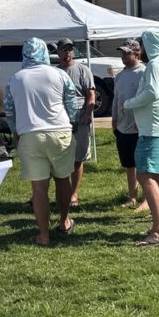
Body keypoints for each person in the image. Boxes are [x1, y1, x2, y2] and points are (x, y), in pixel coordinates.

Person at [5, 38, 82, 246]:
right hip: (60, 131)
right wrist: (72, 122)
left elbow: (9, 111)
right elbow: (72, 102)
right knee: (63, 179)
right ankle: (64, 221)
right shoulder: (60, 74)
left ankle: (44, 235)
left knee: (39, 188)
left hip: (30, 135)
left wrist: (16, 133)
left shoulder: (15, 79)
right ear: (45, 54)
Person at [123, 29, 159, 247]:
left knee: (145, 175)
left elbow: (152, 92)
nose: (141, 51)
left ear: (149, 45)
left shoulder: (156, 64)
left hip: (155, 130)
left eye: (142, 46)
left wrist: (129, 103)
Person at [56, 38, 95, 207]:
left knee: (78, 159)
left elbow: (91, 95)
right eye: (64, 49)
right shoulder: (55, 72)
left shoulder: (82, 70)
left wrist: (87, 114)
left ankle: (73, 194)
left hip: (80, 118)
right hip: (60, 119)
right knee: (59, 158)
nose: (67, 52)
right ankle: (59, 193)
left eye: (70, 49)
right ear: (58, 52)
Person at [111, 38, 146, 208]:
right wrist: (114, 119)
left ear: (137, 54)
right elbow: (116, 99)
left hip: (138, 127)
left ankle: (147, 199)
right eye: (122, 53)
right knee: (129, 165)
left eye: (127, 53)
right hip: (122, 127)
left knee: (142, 165)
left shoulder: (144, 73)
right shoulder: (120, 76)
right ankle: (132, 197)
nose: (123, 56)